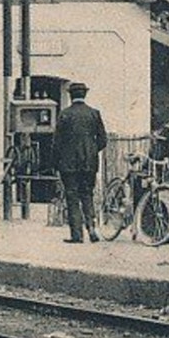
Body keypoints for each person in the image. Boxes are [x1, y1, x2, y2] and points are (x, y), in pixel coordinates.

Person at [55, 80, 108, 243]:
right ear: (85, 94)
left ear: (70, 96)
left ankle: (77, 235)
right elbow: (103, 140)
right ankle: (91, 229)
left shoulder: (65, 114)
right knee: (87, 195)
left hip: (69, 164)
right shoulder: (94, 113)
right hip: (90, 163)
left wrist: (57, 161)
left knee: (72, 197)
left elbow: (57, 142)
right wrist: (91, 151)